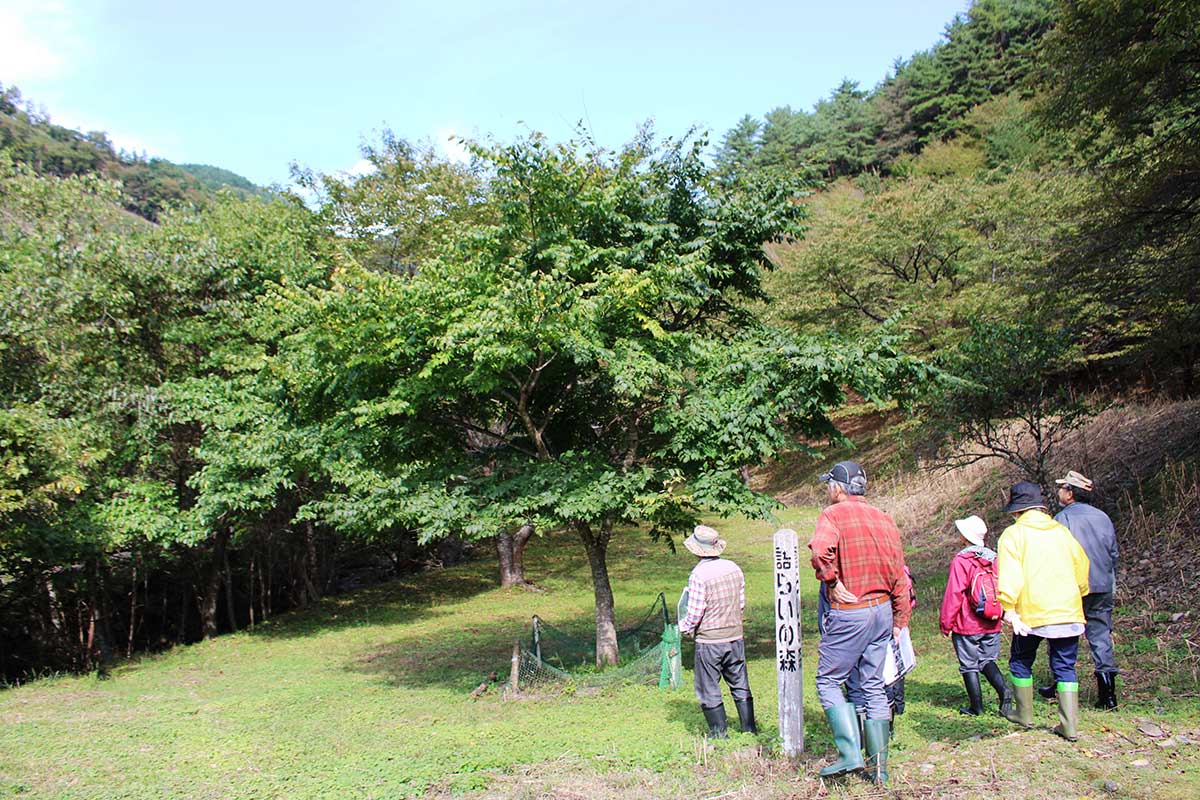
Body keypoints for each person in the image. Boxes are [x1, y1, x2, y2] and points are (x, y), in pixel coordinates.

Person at [809, 461, 910, 785]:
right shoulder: (885, 519)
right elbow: (899, 574)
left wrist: (831, 580)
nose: (827, 490)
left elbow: (820, 551)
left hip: (851, 611)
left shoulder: (833, 515)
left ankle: (850, 753)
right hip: (882, 611)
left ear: (839, 487)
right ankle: (879, 770)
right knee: (873, 687)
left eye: (829, 485)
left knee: (828, 681)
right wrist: (899, 617)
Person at [996, 481, 1090, 741]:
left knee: (1020, 660)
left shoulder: (1013, 535)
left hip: (1031, 613)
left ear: (1017, 510)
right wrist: (1078, 593)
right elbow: (1082, 567)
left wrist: (1008, 607)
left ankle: (1024, 714)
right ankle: (1069, 726)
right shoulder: (1061, 532)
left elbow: (1011, 576)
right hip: (1068, 610)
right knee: (1065, 666)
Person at [1040, 470, 1120, 710]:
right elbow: (1113, 553)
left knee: (1063, 634)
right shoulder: (1103, 517)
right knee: (1100, 635)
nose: (1059, 492)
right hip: (1103, 585)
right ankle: (1108, 694)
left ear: (1070, 494)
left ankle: (1061, 682)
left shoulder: (1063, 519)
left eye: (1063, 488)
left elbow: (1054, 554)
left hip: (1073, 586)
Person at [678, 524, 756, 739]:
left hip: (710, 640)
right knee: (739, 681)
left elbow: (695, 612)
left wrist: (684, 628)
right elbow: (740, 603)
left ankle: (719, 733)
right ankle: (749, 728)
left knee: (708, 685)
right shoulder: (734, 568)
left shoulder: (698, 575)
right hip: (735, 635)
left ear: (695, 550)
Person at [939, 515, 1013, 717]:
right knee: (987, 659)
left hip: (967, 623)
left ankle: (976, 707)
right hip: (991, 619)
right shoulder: (994, 558)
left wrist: (946, 623)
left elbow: (954, 593)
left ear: (965, 537)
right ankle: (1004, 690)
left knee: (969, 664)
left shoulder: (962, 560)